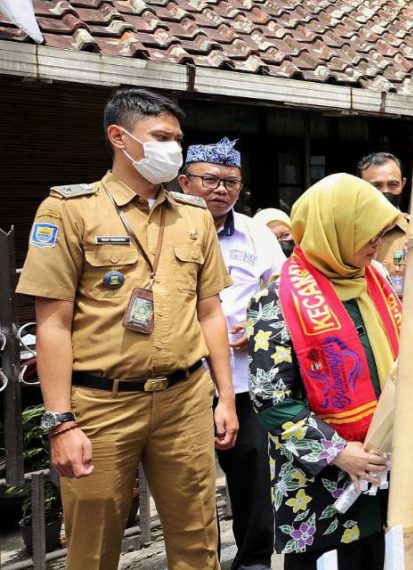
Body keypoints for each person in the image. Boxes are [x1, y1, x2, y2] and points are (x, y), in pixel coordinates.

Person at [16, 88, 237, 570]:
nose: (173, 149)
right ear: (119, 137)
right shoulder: (70, 210)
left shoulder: (194, 215)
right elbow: (52, 323)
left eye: (177, 139)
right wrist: (60, 422)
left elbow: (210, 312)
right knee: (93, 545)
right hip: (101, 404)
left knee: (198, 539)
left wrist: (226, 397)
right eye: (160, 137)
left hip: (184, 399)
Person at [247, 173, 401, 568]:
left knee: (375, 557)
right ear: (336, 230)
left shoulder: (372, 283)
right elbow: (271, 399)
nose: (378, 243)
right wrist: (337, 451)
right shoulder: (277, 298)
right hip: (319, 480)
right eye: (368, 233)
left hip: (381, 464)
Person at [178, 137, 283, 570]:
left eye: (231, 182)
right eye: (210, 180)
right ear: (184, 182)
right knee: (190, 483)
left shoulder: (256, 233)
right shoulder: (165, 229)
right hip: (183, 381)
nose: (221, 189)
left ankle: (254, 561)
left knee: (253, 479)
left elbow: (281, 291)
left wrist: (256, 328)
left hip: (243, 380)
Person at [358, 151, 413, 544]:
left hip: (407, 347)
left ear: (404, 185)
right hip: (363, 349)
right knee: (373, 433)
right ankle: (376, 509)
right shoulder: (350, 228)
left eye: (392, 184)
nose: (386, 191)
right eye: (376, 185)